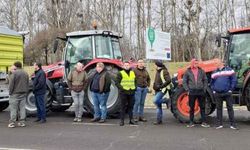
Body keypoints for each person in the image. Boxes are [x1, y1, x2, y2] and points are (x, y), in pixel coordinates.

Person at [183, 59, 210, 128]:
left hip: (201, 91)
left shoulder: (201, 71)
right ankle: (191, 122)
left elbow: (205, 80)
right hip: (192, 91)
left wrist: (204, 89)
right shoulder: (188, 71)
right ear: (192, 63)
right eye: (195, 63)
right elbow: (184, 81)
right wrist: (187, 90)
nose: (196, 64)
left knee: (202, 107)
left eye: (197, 63)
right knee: (191, 107)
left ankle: (204, 122)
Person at [211, 62, 238, 130]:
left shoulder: (229, 70)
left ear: (221, 63)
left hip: (227, 93)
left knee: (230, 108)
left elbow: (234, 80)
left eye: (217, 63)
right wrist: (214, 90)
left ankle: (233, 124)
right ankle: (219, 124)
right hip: (217, 93)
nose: (216, 64)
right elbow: (212, 82)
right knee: (219, 109)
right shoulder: (214, 72)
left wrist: (230, 90)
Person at [8, 61, 29, 128]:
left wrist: (10, 92)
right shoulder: (26, 73)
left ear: (15, 66)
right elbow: (27, 83)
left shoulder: (14, 73)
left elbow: (11, 85)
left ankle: (12, 123)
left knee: (13, 108)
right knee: (22, 108)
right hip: (23, 93)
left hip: (15, 93)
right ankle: (22, 122)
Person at [116, 61, 136, 126]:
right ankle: (122, 121)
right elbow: (117, 83)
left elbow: (135, 81)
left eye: (128, 65)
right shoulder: (120, 73)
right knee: (123, 107)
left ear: (129, 66)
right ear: (123, 66)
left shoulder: (132, 73)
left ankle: (131, 120)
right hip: (124, 93)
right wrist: (122, 88)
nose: (127, 66)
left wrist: (135, 88)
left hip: (131, 92)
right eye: (125, 65)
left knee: (131, 107)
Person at [152, 60, 171, 125]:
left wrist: (161, 86)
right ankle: (159, 120)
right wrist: (154, 86)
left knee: (155, 101)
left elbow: (168, 80)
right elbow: (156, 80)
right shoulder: (158, 71)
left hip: (162, 90)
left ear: (158, 66)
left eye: (156, 65)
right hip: (157, 90)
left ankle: (166, 101)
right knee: (158, 106)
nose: (155, 67)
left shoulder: (164, 71)